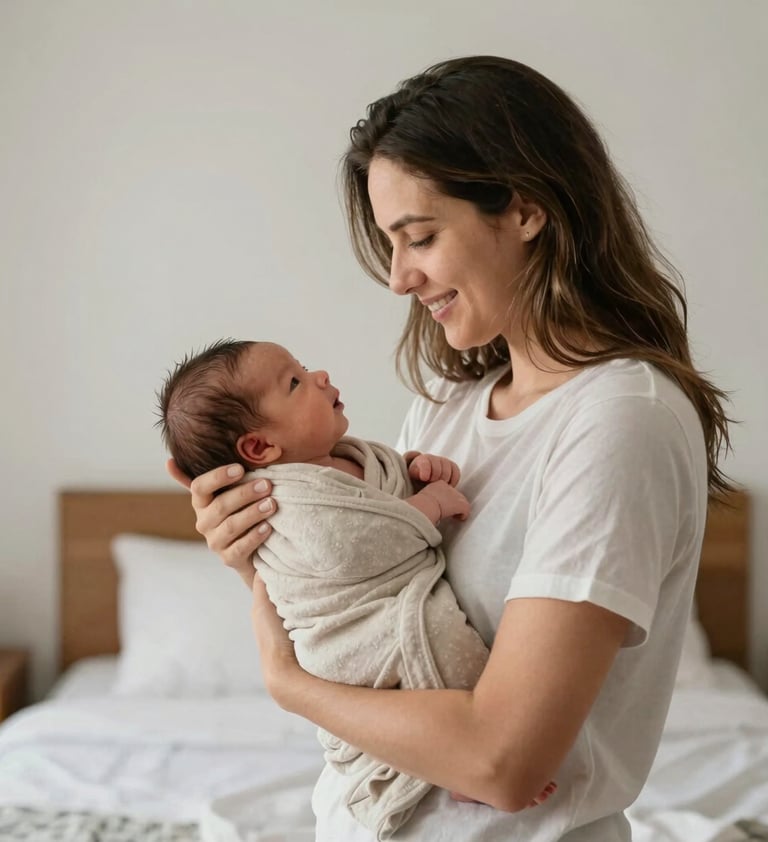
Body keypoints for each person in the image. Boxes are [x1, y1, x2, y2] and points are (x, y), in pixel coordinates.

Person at [167, 56, 732, 841]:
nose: (399, 278)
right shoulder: (446, 412)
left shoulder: (619, 421)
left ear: (525, 209)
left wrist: (286, 684)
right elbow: (364, 622)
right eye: (391, 245)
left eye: (420, 237)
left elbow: (505, 764)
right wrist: (262, 553)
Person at [157, 338, 556, 839]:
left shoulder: (342, 458)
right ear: (260, 449)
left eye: (302, 367)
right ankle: (462, 770)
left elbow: (383, 496)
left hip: (395, 609)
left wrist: (417, 471)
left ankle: (473, 762)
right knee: (448, 650)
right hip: (354, 635)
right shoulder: (284, 501)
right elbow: (355, 545)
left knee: (454, 658)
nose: (319, 374)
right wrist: (429, 503)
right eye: (295, 382)